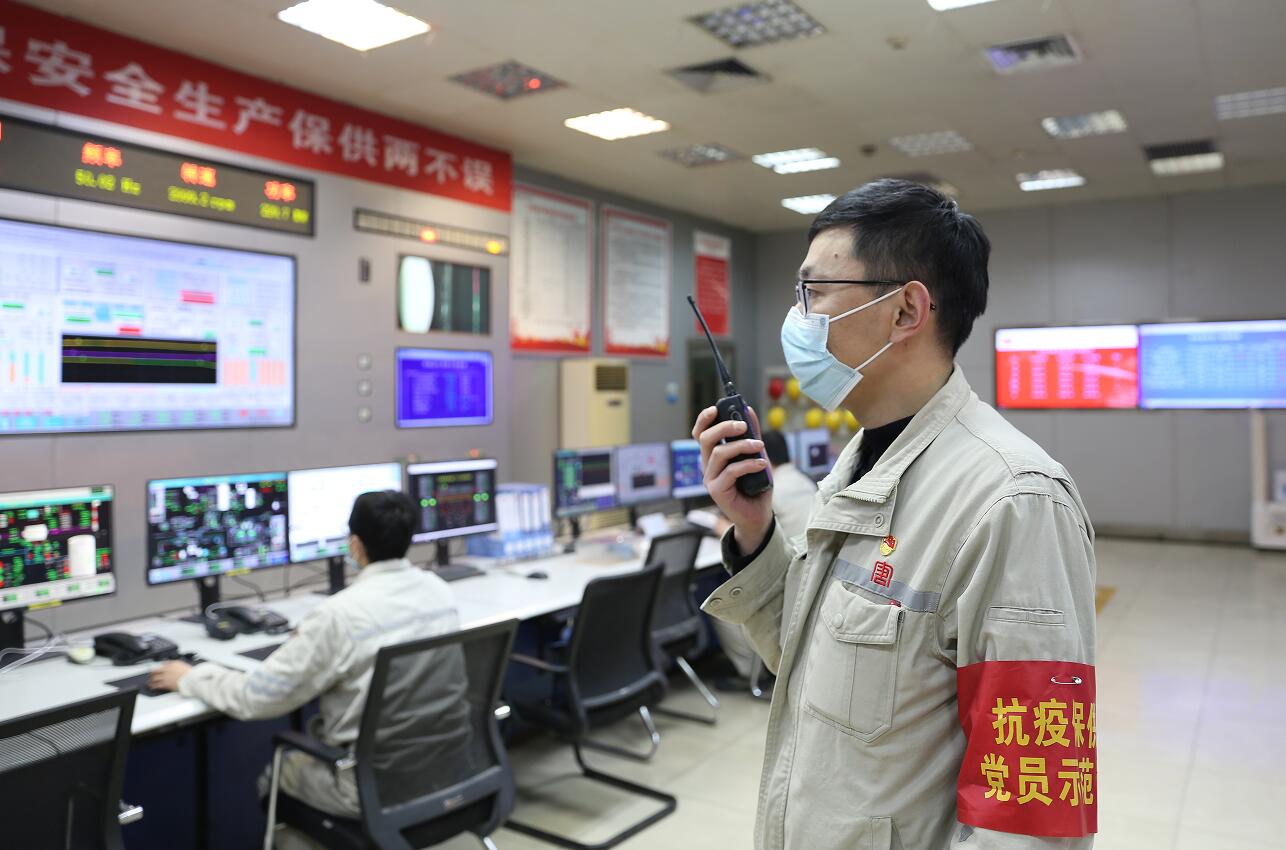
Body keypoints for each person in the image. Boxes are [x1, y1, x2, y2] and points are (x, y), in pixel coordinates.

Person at [693, 179, 1097, 850]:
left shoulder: (1014, 501)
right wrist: (756, 530)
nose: (798, 318)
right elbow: (810, 662)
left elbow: (1034, 812)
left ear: (906, 310)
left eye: (814, 292)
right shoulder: (859, 465)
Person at [149, 489, 462, 824]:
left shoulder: (338, 616)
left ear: (355, 544)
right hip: (443, 770)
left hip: (366, 788)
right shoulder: (440, 592)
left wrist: (191, 677)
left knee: (279, 773)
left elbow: (257, 697)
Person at [712, 429, 818, 679]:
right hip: (811, 578)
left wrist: (717, 525)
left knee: (723, 605)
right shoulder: (805, 481)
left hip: (788, 583)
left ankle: (749, 673)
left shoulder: (771, 491)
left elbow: (751, 532)